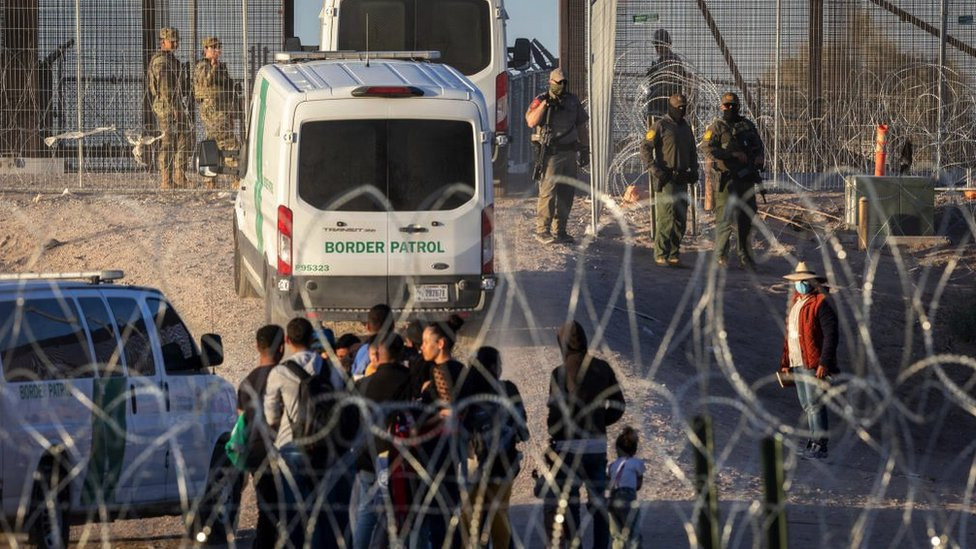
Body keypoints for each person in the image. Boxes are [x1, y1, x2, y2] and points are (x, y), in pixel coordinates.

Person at [264, 317, 350, 547]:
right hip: (324, 448)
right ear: (313, 338)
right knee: (324, 515)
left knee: (294, 517)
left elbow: (271, 417)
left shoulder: (279, 373)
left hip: (290, 446)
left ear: (287, 340)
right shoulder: (331, 370)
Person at [544, 320, 626, 549]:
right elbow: (619, 405)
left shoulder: (558, 373)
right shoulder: (602, 368)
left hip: (568, 448)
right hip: (596, 446)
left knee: (570, 503)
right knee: (599, 503)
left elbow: (554, 415)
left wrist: (555, 434)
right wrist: (601, 421)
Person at [414, 316, 487, 548]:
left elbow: (449, 412)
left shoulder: (440, 372)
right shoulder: (459, 368)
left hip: (438, 450)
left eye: (427, 342)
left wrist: (424, 409)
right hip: (453, 451)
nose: (422, 346)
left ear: (441, 344)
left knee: (437, 516)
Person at [463, 346, 529, 549]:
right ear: (493, 367)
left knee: (472, 521)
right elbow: (522, 425)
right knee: (500, 518)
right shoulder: (508, 390)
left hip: (473, 467)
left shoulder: (467, 392)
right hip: (503, 465)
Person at [353, 332, 413, 549]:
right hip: (402, 457)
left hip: (368, 453)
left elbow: (351, 420)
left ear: (377, 354)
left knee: (366, 512)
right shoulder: (410, 380)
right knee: (404, 510)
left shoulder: (365, 384)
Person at [779, 262, 839, 460]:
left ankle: (820, 444)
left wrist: (824, 362)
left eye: (804, 281)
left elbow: (831, 335)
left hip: (812, 362)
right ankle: (814, 442)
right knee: (807, 403)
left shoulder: (821, 302)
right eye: (798, 281)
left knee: (815, 403)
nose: (801, 284)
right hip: (798, 360)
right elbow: (790, 337)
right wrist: (785, 362)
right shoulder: (796, 303)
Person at [525, 67, 590, 245]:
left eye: (564, 82)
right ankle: (542, 230)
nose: (561, 86)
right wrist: (545, 105)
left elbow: (581, 126)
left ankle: (560, 230)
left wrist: (585, 149)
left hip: (569, 152)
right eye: (558, 83)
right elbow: (531, 121)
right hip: (551, 154)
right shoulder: (541, 99)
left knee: (566, 193)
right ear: (551, 82)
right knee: (548, 193)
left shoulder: (572, 101)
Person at [702, 92, 766, 269]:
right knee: (725, 219)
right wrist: (731, 154)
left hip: (747, 180)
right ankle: (721, 255)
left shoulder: (747, 125)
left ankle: (745, 255)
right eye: (727, 106)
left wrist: (760, 157)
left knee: (746, 218)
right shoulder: (717, 127)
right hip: (727, 181)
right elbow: (707, 148)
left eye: (733, 106)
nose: (730, 109)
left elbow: (759, 146)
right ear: (722, 107)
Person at [237, 324, 284, 549]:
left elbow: (240, 422)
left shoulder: (246, 382)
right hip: (283, 450)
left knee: (266, 509)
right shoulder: (286, 377)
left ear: (257, 347)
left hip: (256, 454)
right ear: (282, 347)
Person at [642, 93, 699, 266]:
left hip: (682, 177)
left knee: (680, 219)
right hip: (666, 179)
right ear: (671, 107)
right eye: (678, 107)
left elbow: (692, 151)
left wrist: (694, 171)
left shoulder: (685, 127)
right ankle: (661, 253)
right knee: (666, 217)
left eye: (684, 107)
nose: (681, 110)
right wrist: (655, 169)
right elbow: (645, 147)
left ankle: (674, 254)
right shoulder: (661, 126)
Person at [147, 26, 192, 189]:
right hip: (168, 107)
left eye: (176, 41)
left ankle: (179, 175)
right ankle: (167, 179)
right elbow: (165, 88)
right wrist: (174, 109)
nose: (175, 44)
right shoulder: (162, 62)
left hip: (174, 105)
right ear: (163, 42)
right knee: (168, 142)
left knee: (186, 137)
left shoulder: (171, 60)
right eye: (171, 41)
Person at [193, 36, 240, 189]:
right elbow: (205, 83)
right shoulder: (202, 66)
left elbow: (227, 90)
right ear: (206, 50)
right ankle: (236, 178)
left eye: (218, 47)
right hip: (212, 112)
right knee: (230, 143)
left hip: (222, 111)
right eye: (213, 48)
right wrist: (213, 66)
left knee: (214, 142)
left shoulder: (221, 67)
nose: (216, 50)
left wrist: (230, 112)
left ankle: (210, 180)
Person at [607, 426, 644, 549]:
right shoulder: (637, 463)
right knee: (633, 533)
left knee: (617, 535)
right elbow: (638, 485)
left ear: (617, 449)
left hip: (612, 499)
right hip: (628, 498)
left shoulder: (612, 465)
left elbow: (609, 481)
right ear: (634, 449)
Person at [642, 28, 688, 125]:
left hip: (668, 107)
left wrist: (658, 75)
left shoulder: (674, 60)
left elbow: (672, 81)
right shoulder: (658, 62)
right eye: (656, 46)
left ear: (668, 44)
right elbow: (652, 82)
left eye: (661, 45)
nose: (658, 49)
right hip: (655, 107)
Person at [351, 304, 394, 379]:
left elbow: (357, 378)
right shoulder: (399, 348)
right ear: (393, 325)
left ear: (367, 327)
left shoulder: (365, 351)